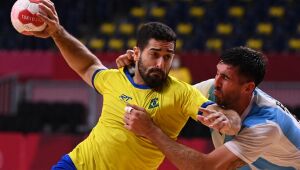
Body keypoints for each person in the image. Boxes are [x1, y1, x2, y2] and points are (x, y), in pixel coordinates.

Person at [30, 1, 241, 169]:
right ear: (137, 53)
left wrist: (228, 120)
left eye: (168, 56)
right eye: (154, 54)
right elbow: (87, 65)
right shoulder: (116, 78)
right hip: (77, 165)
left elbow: (226, 117)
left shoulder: (181, 93)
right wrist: (57, 32)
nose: (161, 63)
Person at [122, 47, 300, 169]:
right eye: (217, 73)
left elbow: (206, 167)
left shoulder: (266, 125)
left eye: (225, 77)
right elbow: (162, 97)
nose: (216, 82)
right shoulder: (211, 89)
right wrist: (136, 70)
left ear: (248, 88)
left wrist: (151, 131)